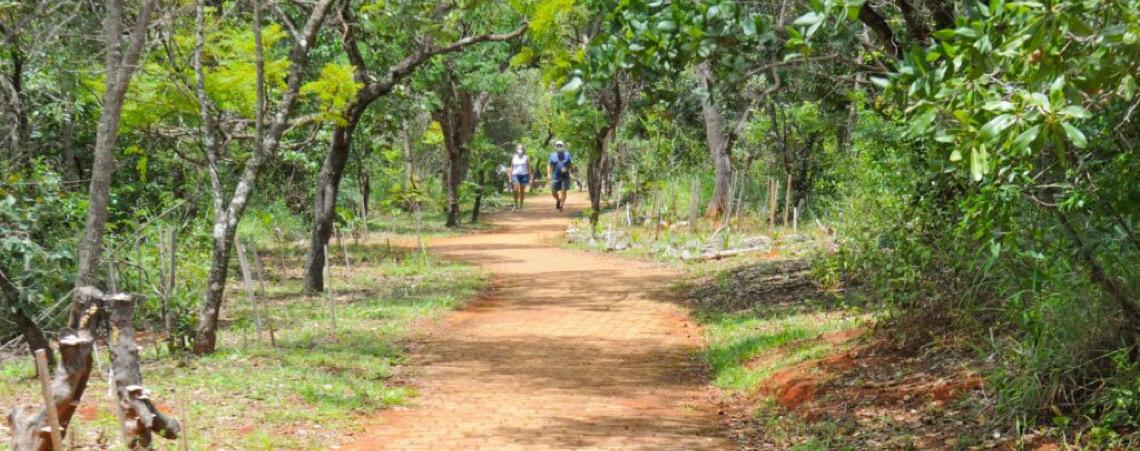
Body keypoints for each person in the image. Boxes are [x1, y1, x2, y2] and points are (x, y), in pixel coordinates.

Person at [548, 140, 572, 211]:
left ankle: (561, 205)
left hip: (565, 176)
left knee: (564, 190)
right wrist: (549, 174)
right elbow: (549, 165)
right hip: (555, 176)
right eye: (558, 145)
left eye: (560, 145)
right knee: (553, 192)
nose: (559, 147)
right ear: (555, 147)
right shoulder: (552, 155)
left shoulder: (567, 154)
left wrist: (569, 170)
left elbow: (570, 164)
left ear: (563, 146)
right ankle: (558, 199)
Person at [509, 144, 532, 211]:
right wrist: (510, 177)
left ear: (523, 150)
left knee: (522, 190)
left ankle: (521, 206)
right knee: (515, 189)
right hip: (515, 174)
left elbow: (529, 168)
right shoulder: (514, 157)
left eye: (521, 148)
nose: (520, 150)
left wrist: (530, 178)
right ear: (516, 150)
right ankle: (515, 204)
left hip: (524, 175)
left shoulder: (526, 157)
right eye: (518, 148)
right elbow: (511, 167)